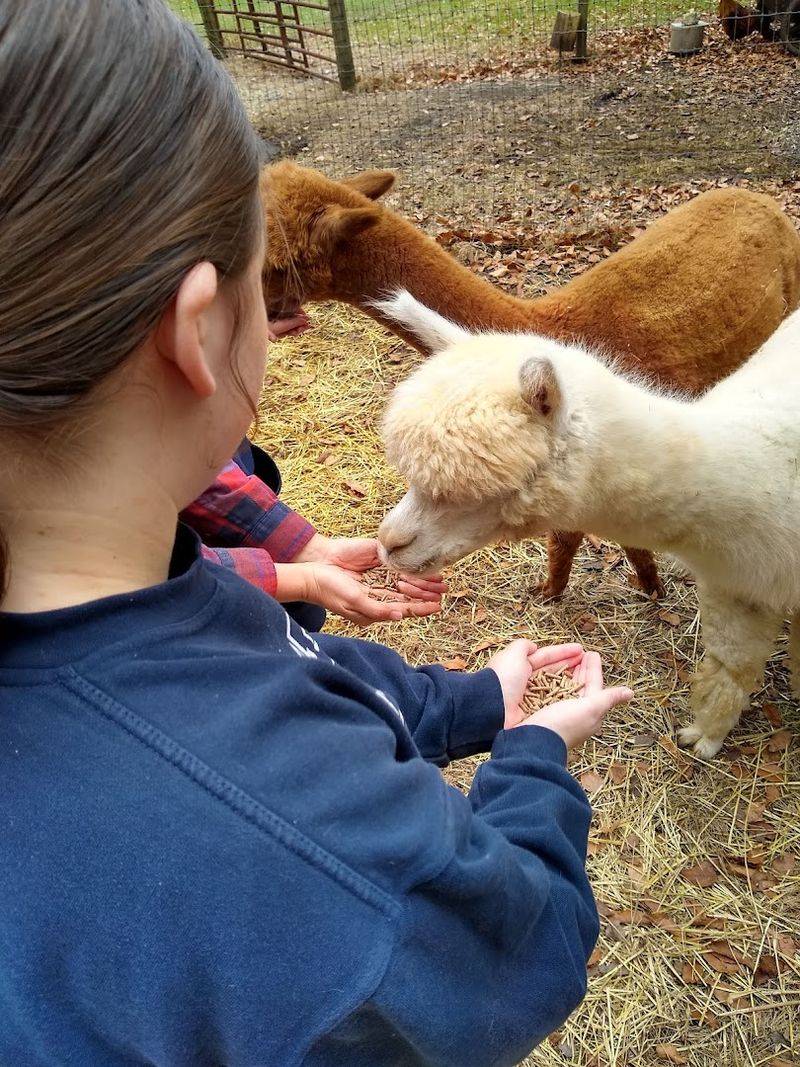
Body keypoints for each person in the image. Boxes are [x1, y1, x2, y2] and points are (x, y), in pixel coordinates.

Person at [0, 3, 633, 1065]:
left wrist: (475, 699)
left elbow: (278, 662)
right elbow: (517, 937)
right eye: (263, 286)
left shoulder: (141, 584)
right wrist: (529, 757)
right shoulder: (319, 857)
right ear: (200, 329)